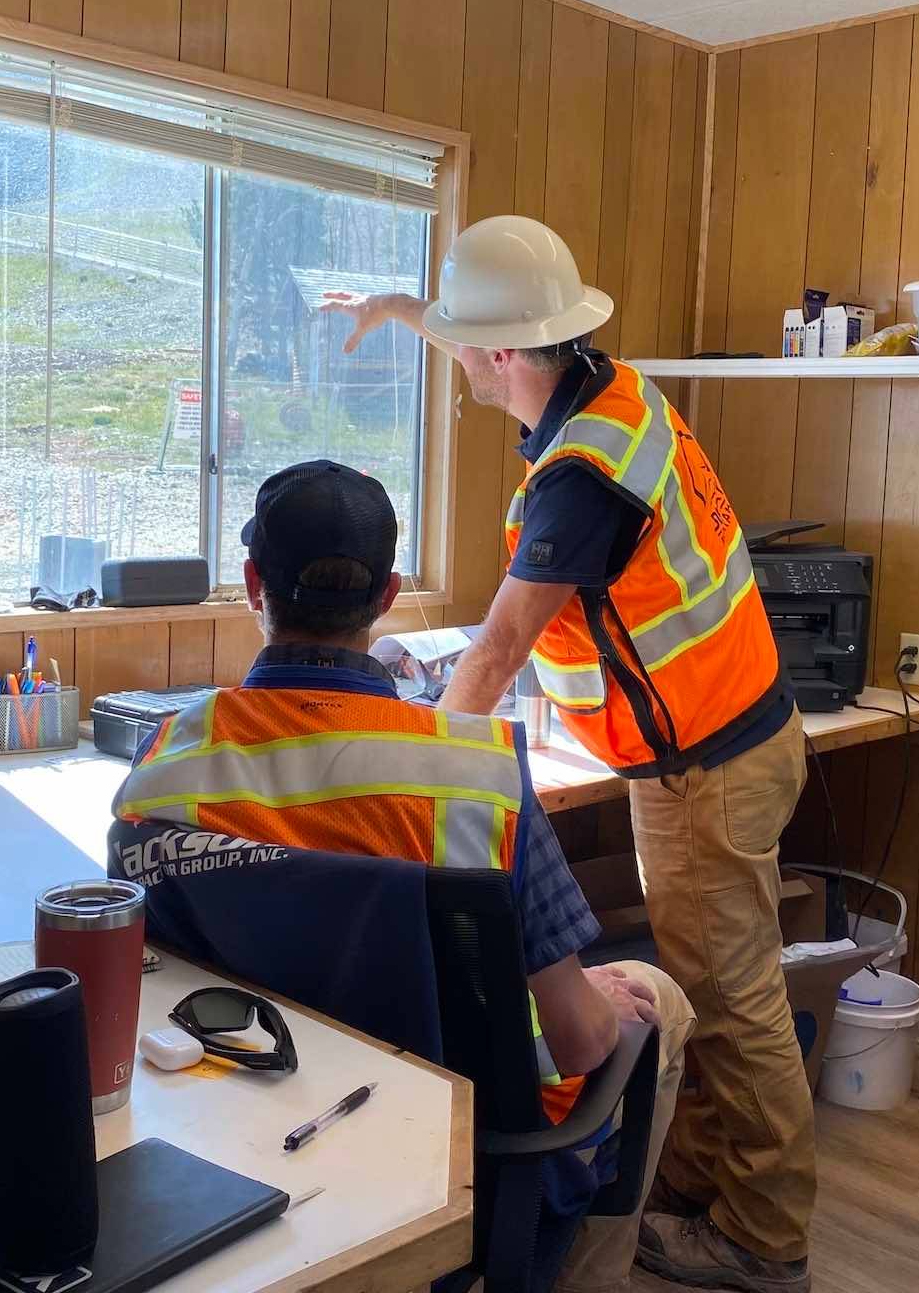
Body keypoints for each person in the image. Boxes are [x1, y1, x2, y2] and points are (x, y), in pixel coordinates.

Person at [323, 216, 814, 1293]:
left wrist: (426, 769)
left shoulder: (579, 480)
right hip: (729, 737)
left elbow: (499, 646)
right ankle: (683, 1188)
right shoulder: (610, 390)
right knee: (701, 987)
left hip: (705, 770)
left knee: (733, 1005)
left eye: (462, 343)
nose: (456, 362)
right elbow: (486, 330)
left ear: (504, 355)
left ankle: (764, 1242)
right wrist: (395, 310)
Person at [111, 459, 697, 1293]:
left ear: (252, 585)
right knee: (652, 996)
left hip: (235, 1139)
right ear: (388, 596)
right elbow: (579, 1041)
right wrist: (600, 1001)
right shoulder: (475, 777)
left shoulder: (166, 757)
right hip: (456, 1161)